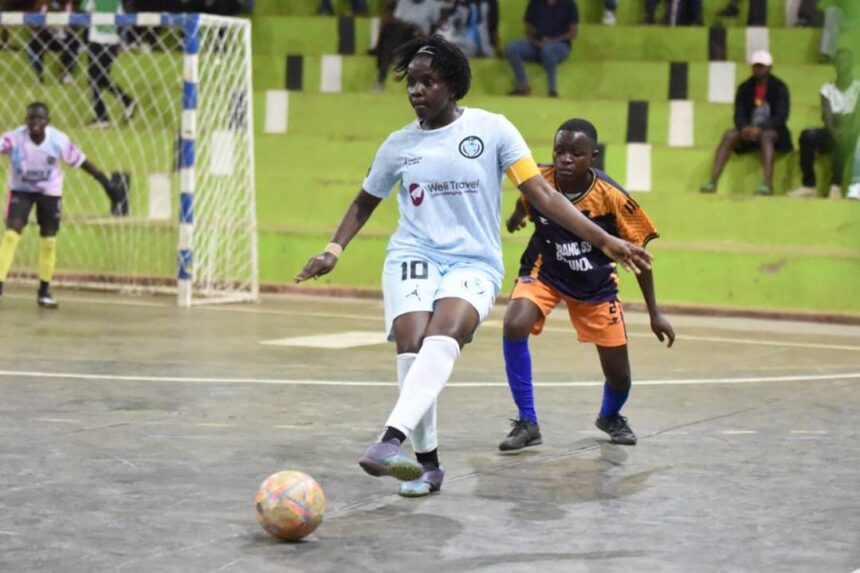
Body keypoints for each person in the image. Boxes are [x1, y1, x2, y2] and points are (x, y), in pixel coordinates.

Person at [294, 36, 652, 497]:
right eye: (411, 82)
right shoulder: (398, 145)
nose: (416, 90)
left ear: (453, 84)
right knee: (411, 345)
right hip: (413, 254)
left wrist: (605, 240)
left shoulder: (493, 129)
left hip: (473, 260)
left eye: (428, 81)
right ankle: (428, 465)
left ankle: (389, 441)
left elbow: (543, 194)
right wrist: (333, 249)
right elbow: (365, 201)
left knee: (444, 336)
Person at [497, 118, 674, 451]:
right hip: (545, 271)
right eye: (559, 151)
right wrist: (517, 217)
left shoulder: (613, 197)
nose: (565, 159)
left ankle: (610, 416)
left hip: (595, 284)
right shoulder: (540, 178)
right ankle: (527, 421)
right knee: (514, 323)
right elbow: (528, 200)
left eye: (576, 153)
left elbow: (639, 256)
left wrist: (655, 312)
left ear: (593, 156)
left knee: (620, 376)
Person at [0, 102, 123, 307]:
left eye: (40, 118)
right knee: (12, 233)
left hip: (50, 192)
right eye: (31, 118)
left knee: (49, 240)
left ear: (47, 121)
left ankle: (44, 291)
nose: (35, 122)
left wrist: (106, 183)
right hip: (21, 190)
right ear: (26, 120)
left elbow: (82, 161)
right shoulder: (14, 138)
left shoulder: (58, 140)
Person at [700, 50, 792, 196]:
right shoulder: (744, 88)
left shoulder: (780, 87)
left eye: (762, 66)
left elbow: (781, 116)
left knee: (767, 136)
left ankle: (767, 185)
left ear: (770, 67)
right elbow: (739, 113)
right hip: (749, 131)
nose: (758, 69)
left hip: (774, 132)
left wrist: (760, 128)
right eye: (756, 66)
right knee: (729, 135)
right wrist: (744, 128)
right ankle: (712, 182)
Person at [788, 49, 859, 199]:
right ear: (835, 65)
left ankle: (836, 186)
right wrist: (835, 129)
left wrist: (845, 127)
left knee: (846, 135)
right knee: (808, 135)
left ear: (851, 64)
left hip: (853, 132)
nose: (842, 65)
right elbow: (827, 117)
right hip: (833, 129)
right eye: (839, 61)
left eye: (846, 61)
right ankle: (809, 185)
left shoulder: (858, 88)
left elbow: (856, 118)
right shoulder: (827, 89)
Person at [505, 0, 578, 98]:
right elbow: (528, 27)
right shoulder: (535, 2)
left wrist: (551, 41)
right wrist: (534, 41)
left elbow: (573, 33)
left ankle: (552, 90)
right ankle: (523, 85)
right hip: (537, 43)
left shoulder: (569, 4)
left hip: (560, 45)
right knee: (512, 48)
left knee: (548, 50)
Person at [374, 0, 447, 91]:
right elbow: (397, 19)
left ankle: (398, 59)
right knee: (390, 32)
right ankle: (381, 80)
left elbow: (436, 25)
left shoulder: (432, 4)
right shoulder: (404, 2)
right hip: (403, 32)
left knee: (403, 35)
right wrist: (409, 26)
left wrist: (423, 33)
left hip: (420, 36)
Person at [84, 0, 136, 128]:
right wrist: (120, 43)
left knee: (94, 79)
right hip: (112, 42)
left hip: (97, 41)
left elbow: (84, 9)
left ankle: (102, 117)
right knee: (101, 78)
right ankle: (127, 101)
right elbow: (122, 20)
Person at [26, 0, 81, 85]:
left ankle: (66, 75)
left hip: (63, 36)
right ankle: (38, 75)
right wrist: (40, 19)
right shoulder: (42, 3)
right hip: (46, 36)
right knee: (32, 44)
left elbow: (76, 26)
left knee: (75, 44)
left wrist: (70, 21)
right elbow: (34, 24)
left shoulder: (69, 4)